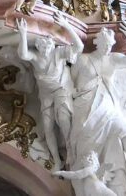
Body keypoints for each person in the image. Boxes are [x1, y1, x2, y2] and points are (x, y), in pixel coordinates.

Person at [69, 21, 126, 196]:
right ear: (97, 43)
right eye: (105, 45)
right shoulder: (83, 60)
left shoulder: (113, 58)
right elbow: (71, 86)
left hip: (110, 110)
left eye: (110, 45)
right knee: (87, 155)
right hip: (87, 110)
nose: (107, 48)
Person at [17, 13, 82, 168]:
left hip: (61, 90)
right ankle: (57, 160)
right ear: (38, 47)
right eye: (43, 46)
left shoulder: (58, 53)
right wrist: (23, 34)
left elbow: (79, 47)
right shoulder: (36, 57)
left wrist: (66, 25)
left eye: (48, 46)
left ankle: (71, 151)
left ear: (52, 46)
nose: (46, 49)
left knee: (64, 120)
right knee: (47, 125)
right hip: (46, 94)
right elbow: (23, 54)